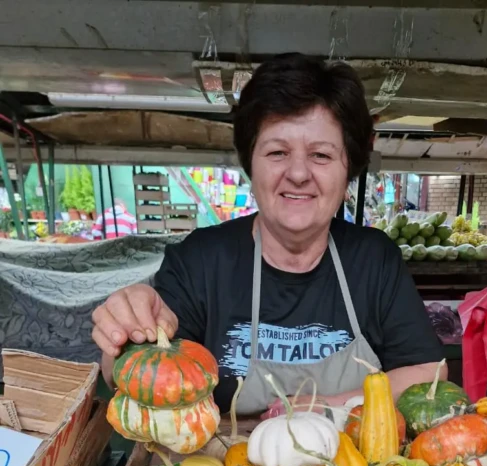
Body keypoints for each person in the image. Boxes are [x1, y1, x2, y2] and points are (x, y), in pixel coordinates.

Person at [92, 54, 445, 416]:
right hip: (223, 462)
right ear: (250, 164)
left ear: (347, 170)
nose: (298, 174)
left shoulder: (374, 259)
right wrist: (124, 338)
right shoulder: (201, 260)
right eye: (278, 152)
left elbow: (427, 373)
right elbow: (133, 374)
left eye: (321, 155)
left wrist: (331, 407)